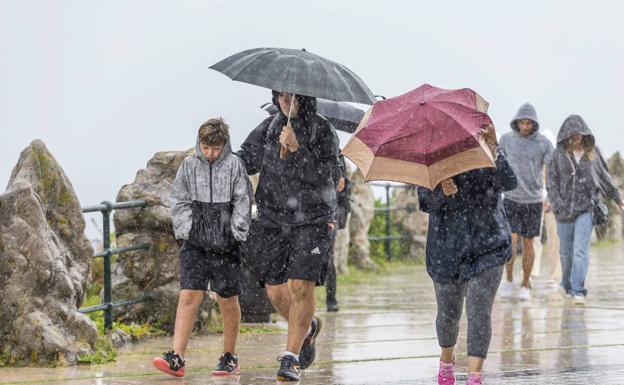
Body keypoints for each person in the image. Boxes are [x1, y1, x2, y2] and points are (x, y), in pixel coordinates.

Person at [237, 90, 339, 381]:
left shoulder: (323, 129)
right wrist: (219, 158)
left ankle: (290, 358)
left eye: (291, 95)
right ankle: (306, 329)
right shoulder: (269, 127)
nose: (285, 100)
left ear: (304, 97)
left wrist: (298, 149)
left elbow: (328, 175)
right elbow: (246, 159)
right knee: (275, 289)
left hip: (313, 219)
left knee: (300, 285)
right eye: (280, 94)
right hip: (272, 219)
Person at [418, 124, 517, 385]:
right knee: (448, 314)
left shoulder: (486, 149)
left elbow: (509, 182)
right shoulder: (432, 157)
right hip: (446, 249)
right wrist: (441, 191)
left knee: (479, 310)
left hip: (488, 245)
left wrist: (494, 148)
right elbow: (424, 201)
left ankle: (475, 376)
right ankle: (446, 361)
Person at [153, 118, 252, 377]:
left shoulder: (235, 166)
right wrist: (186, 231)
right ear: (199, 144)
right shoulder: (188, 166)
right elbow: (179, 199)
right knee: (188, 296)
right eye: (206, 147)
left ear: (224, 145)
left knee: (227, 299)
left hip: (226, 245)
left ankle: (229, 356)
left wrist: (235, 233)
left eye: (216, 148)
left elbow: (243, 200)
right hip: (195, 243)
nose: (210, 153)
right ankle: (177, 358)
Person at [546, 115, 624, 305]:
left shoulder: (593, 153)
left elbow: (606, 179)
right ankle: (566, 284)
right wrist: (557, 204)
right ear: (565, 136)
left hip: (586, 209)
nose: (577, 140)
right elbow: (551, 183)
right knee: (566, 252)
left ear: (585, 136)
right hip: (563, 212)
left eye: (580, 136)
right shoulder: (557, 155)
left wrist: (619, 199)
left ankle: (578, 290)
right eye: (573, 137)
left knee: (580, 250)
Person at [498, 103, 554, 301]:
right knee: (509, 241)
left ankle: (525, 284)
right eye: (522, 122)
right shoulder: (506, 140)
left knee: (528, 243)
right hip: (511, 198)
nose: (525, 125)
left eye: (528, 122)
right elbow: (495, 162)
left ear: (534, 123)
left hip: (533, 200)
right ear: (517, 122)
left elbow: (552, 170)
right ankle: (509, 278)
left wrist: (550, 196)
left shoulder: (544, 143)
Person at [326, 155, 351, 312]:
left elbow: (345, 195)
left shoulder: (338, 157)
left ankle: (331, 299)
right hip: (307, 213)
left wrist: (338, 219)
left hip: (330, 214)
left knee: (328, 257)